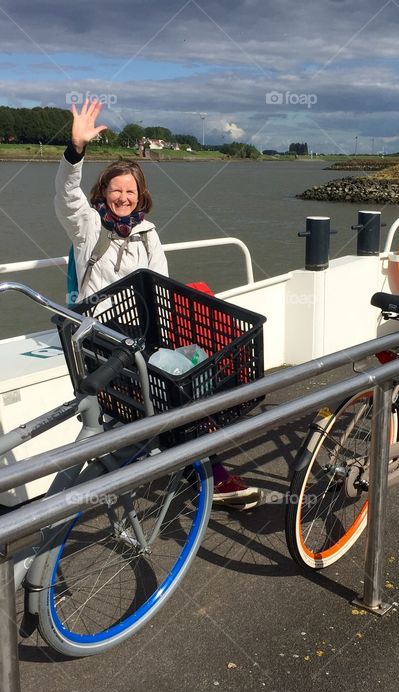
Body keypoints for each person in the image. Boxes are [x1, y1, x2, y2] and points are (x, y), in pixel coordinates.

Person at [54, 98, 261, 510]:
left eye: (130, 191)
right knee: (165, 397)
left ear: (140, 195)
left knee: (187, 381)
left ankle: (195, 463)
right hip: (98, 338)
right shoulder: (88, 227)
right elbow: (66, 196)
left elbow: (161, 288)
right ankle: (202, 471)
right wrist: (75, 151)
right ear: (103, 193)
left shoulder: (149, 233)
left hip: (140, 334)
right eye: (116, 190)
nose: (123, 198)